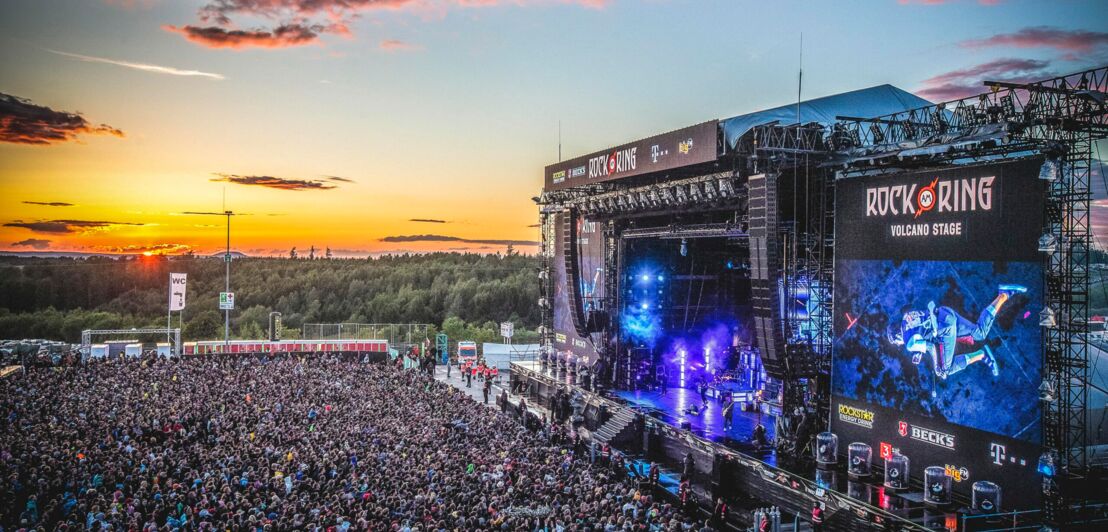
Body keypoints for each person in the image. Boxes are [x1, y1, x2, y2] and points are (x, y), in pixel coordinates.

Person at [886, 284, 1027, 386]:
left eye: (897, 343)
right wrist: (920, 352)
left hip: (946, 328)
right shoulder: (906, 317)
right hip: (945, 313)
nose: (900, 344)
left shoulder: (908, 343)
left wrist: (936, 365)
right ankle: (1003, 295)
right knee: (979, 333)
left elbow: (930, 347)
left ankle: (981, 354)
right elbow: (921, 328)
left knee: (944, 370)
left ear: (897, 337)